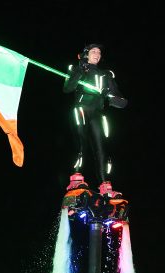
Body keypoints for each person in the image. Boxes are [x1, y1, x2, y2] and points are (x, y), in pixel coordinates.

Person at [63, 43, 127, 187]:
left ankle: (105, 185)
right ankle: (76, 179)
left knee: (101, 148)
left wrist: (109, 97)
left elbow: (122, 102)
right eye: (93, 51)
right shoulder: (76, 68)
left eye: (99, 52)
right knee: (81, 142)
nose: (97, 54)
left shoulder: (106, 74)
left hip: (97, 114)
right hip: (81, 109)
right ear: (86, 54)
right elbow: (67, 88)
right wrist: (80, 70)